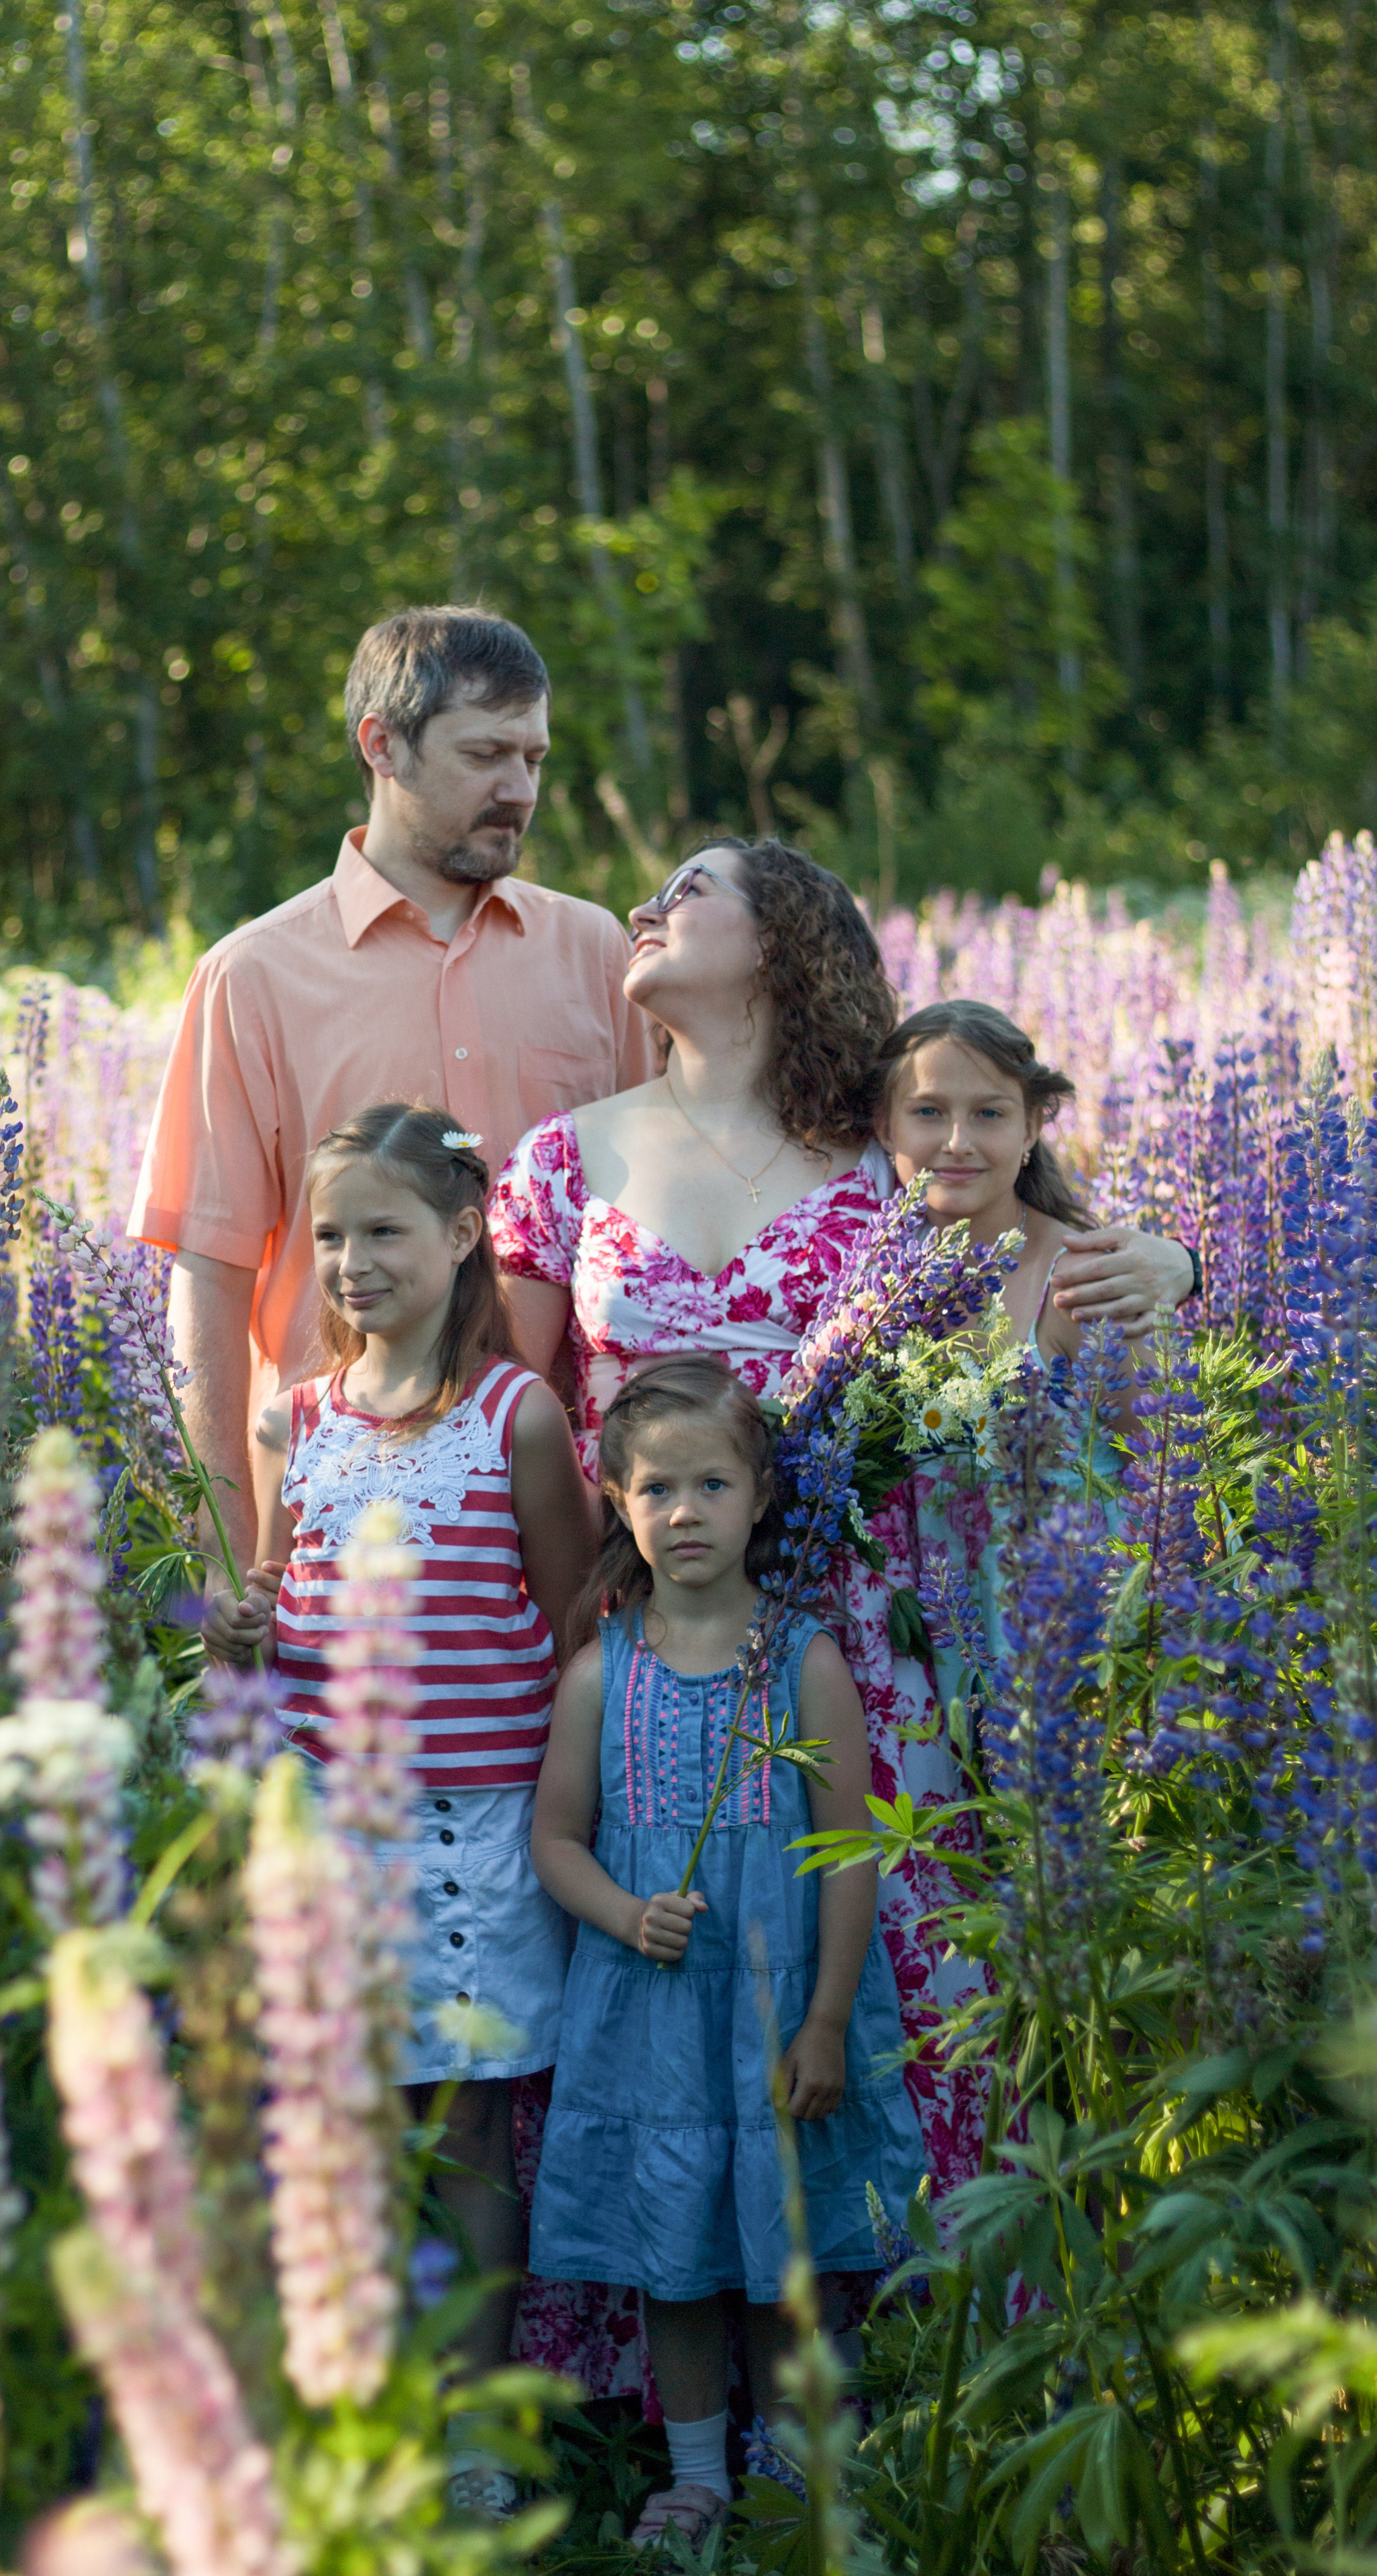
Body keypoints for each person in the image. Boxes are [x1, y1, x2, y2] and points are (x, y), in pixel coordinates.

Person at [488, 837, 1193, 2394]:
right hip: (655, 1644)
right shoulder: (561, 1157)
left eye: (690, 882)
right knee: (670, 1974)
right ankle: (674, 2386)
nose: (645, 904)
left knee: (888, 1978)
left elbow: (1041, 1227)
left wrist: (1171, 1253)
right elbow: (518, 1419)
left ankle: (916, 2370)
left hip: (870, 1640)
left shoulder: (873, 1147)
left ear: (784, 937)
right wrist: (571, 1647)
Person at [125, 605, 652, 1646]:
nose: (521, 788)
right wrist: (231, 1542)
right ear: (382, 744)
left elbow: (658, 1209)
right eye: (485, 753)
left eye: (535, 755)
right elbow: (212, 1277)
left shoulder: (595, 954)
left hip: (578, 1514)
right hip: (345, 1521)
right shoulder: (256, 976)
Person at [217, 1103, 597, 2520]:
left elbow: (573, 1627)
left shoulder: (518, 1414)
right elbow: (273, 1608)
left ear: (459, 1234)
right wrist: (239, 1636)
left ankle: (479, 2425)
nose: (352, 1262)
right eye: (328, 1236)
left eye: (383, 1230)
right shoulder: (298, 1417)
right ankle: (362, 2407)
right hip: (331, 1821)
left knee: (469, 2135)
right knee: (347, 2127)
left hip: (471, 1835)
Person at [529, 1360, 925, 2553]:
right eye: (658, 1488)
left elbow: (849, 1852)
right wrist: (619, 1910)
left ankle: (805, 2465)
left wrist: (826, 2018)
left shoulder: (802, 1661)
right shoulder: (604, 1672)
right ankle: (695, 2473)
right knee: (678, 2254)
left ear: (764, 1500)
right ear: (616, 1500)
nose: (687, 1511)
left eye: (714, 1483)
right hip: (652, 2022)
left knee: (785, 2242)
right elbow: (553, 1840)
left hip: (780, 2004)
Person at [872, 1000, 1145, 1717]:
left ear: (1031, 1128)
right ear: (884, 1127)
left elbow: (1162, 1466)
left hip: (1071, 1637)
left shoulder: (1081, 1278)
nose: (956, 1141)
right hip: (928, 1647)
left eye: (989, 1115)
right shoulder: (869, 1281)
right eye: (927, 1112)